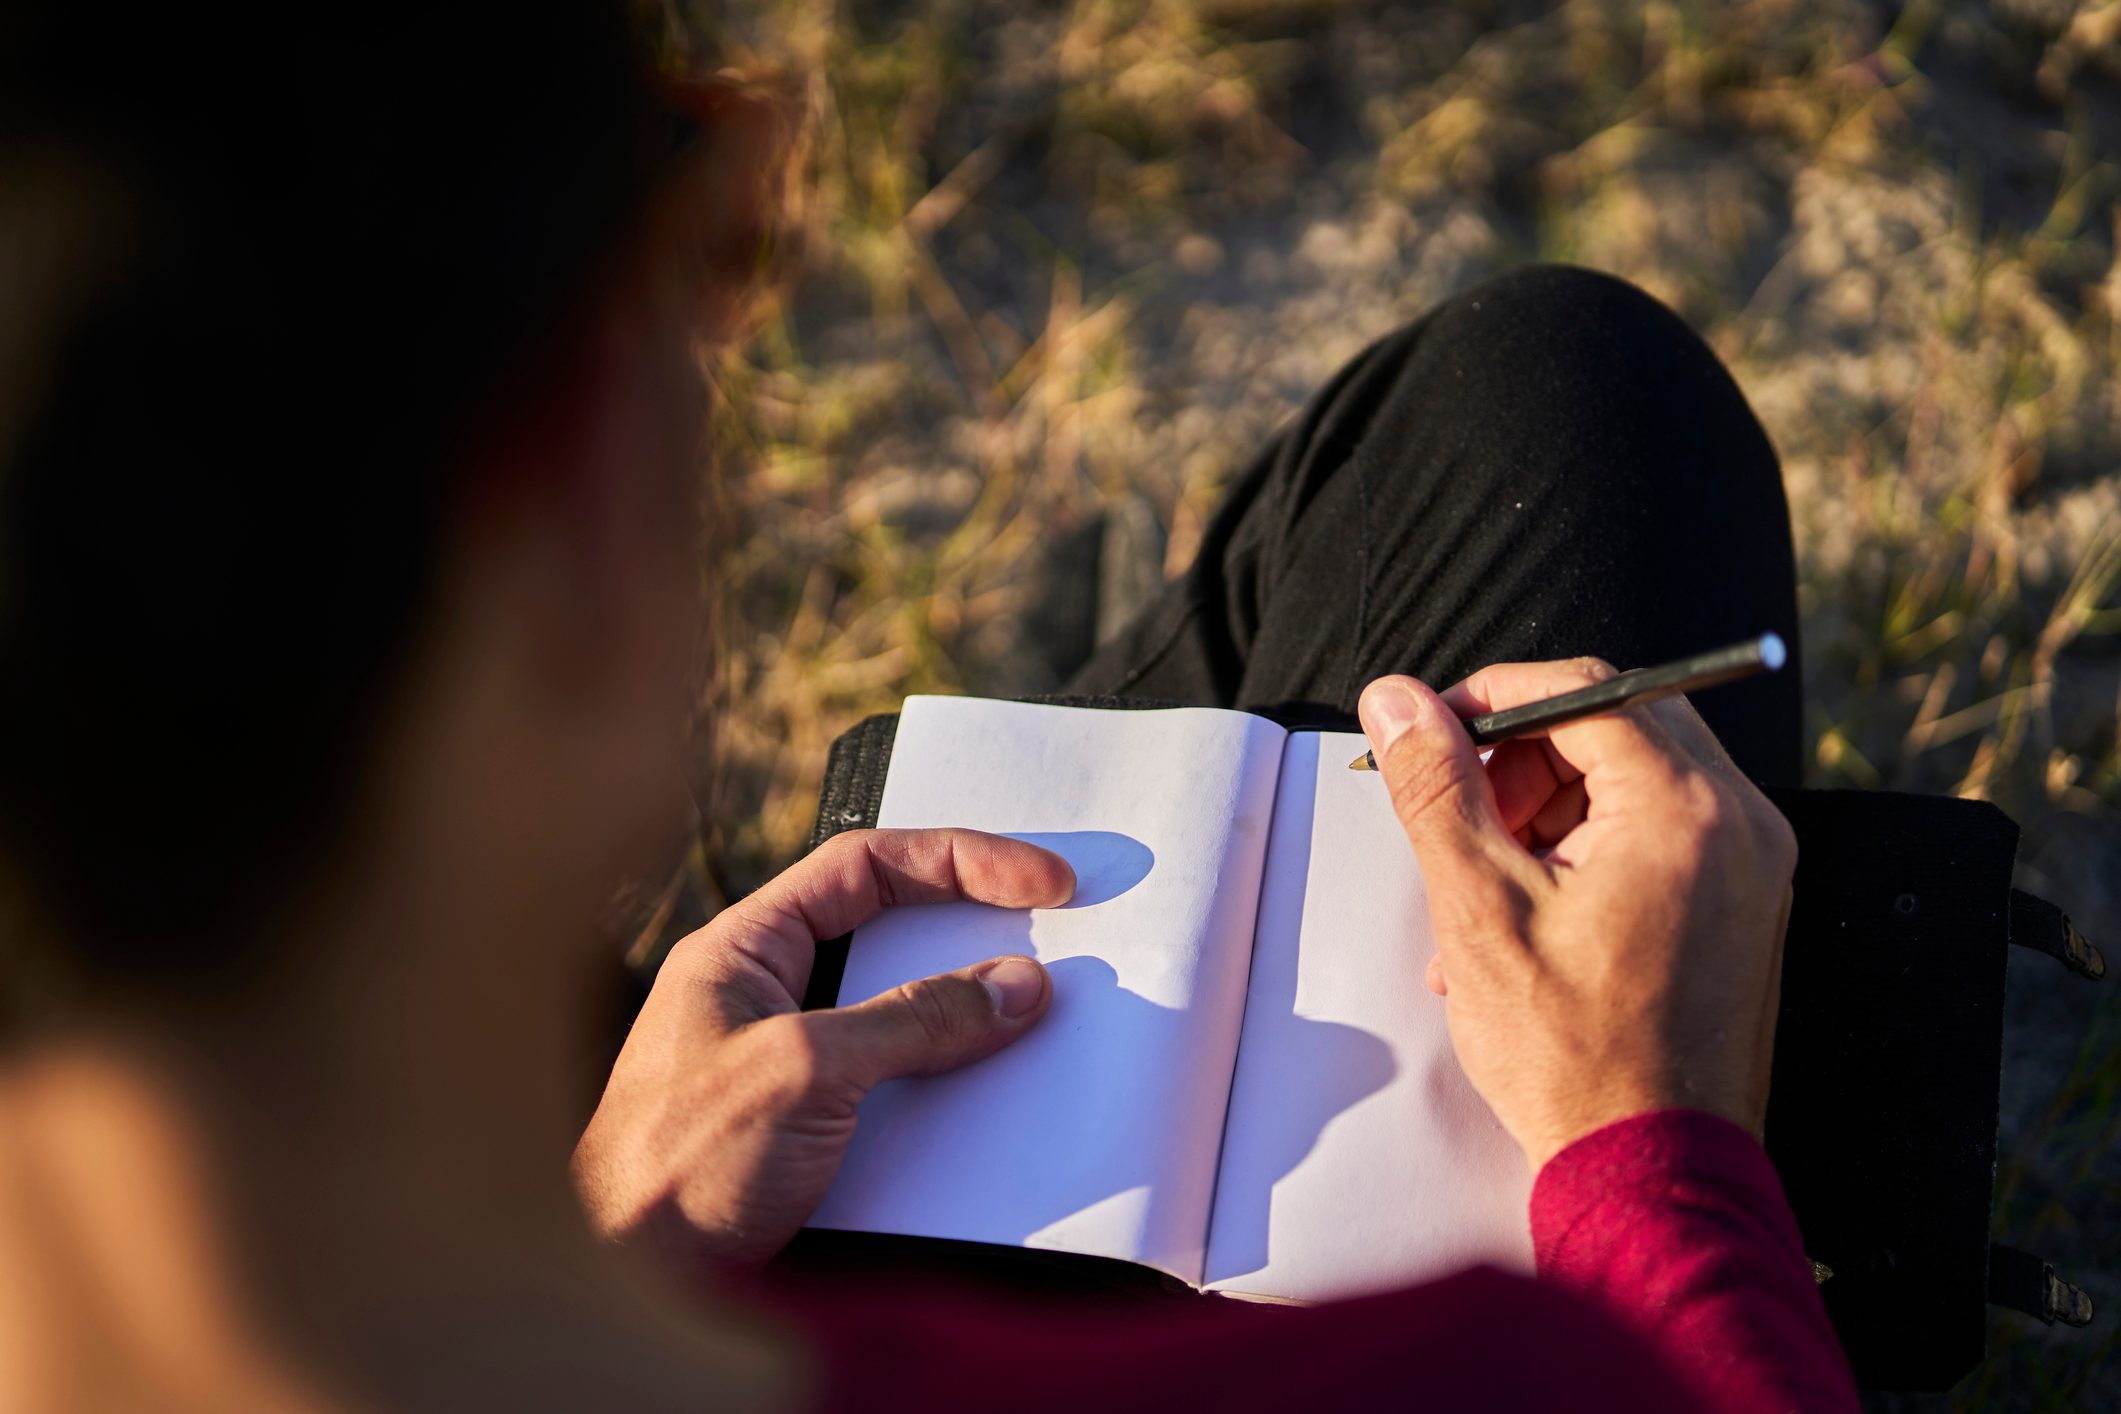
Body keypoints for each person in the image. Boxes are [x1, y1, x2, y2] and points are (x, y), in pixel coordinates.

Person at [0, 4, 1858, 1411]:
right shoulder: (1499, 1374)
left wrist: (611, 1232)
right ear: (561, 527)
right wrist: (1658, 1150)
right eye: (700, 249)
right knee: (1571, 410)